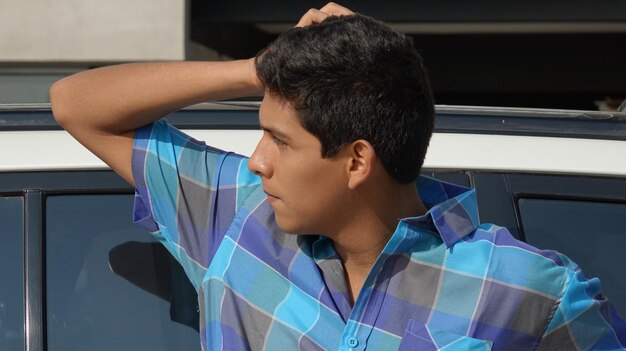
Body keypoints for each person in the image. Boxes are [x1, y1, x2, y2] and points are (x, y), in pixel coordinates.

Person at [50, 3, 625, 350]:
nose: (256, 161)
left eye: (279, 140)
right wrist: (266, 67)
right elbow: (76, 105)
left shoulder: (527, 291)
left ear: (356, 161)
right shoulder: (236, 217)